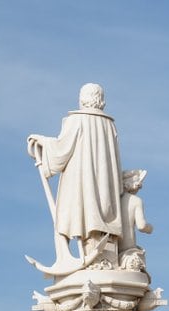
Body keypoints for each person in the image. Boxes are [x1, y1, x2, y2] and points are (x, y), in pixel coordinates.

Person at [28, 84, 123, 261]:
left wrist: (42, 142)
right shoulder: (110, 125)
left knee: (78, 211)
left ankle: (88, 248)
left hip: (81, 180)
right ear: (101, 100)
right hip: (105, 186)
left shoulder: (76, 120)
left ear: (82, 98)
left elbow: (62, 149)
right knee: (99, 209)